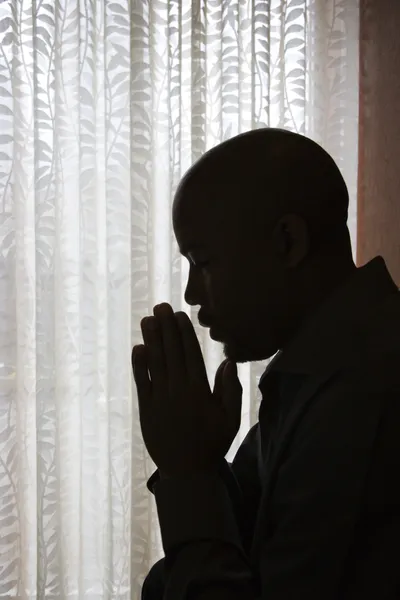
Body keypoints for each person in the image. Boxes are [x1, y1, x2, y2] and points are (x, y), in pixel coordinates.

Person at [133, 128, 400, 600]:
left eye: (204, 262)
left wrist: (188, 474)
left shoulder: (361, 390)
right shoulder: (315, 370)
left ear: (287, 241)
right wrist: (204, 462)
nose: (193, 295)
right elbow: (237, 552)